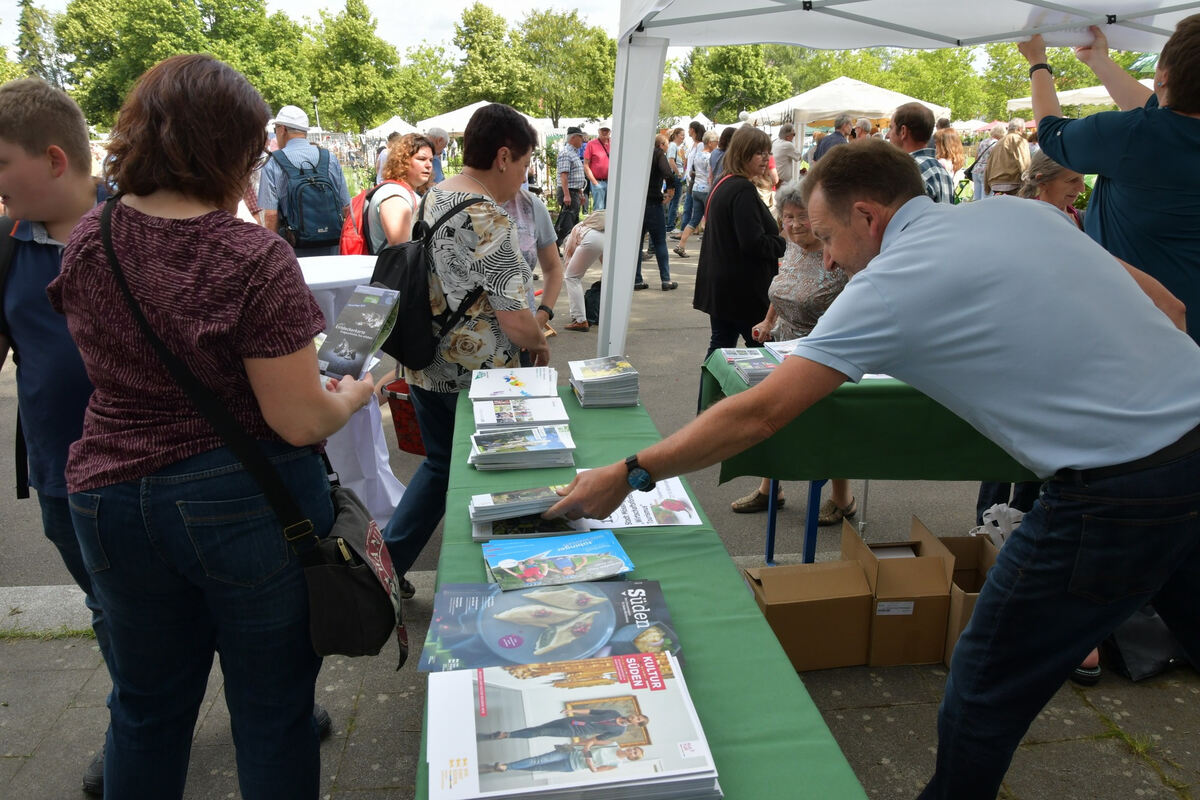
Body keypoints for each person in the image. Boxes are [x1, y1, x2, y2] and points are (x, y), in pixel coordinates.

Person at [545, 139, 1198, 800]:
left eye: (827, 236)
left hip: (1117, 488)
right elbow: (1169, 308)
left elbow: (759, 415)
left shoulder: (891, 283)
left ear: (869, 216)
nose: (825, 257)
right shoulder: (1026, 214)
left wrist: (630, 472)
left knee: (984, 678)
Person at [49, 54, 373, 800]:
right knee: (271, 710)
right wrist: (353, 398)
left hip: (108, 498)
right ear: (233, 146)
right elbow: (297, 421)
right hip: (240, 504)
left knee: (146, 709)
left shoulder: (90, 240)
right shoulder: (252, 257)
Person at [381, 103, 549, 597]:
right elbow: (518, 323)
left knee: (439, 466)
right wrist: (541, 341)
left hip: (427, 364)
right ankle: (497, 581)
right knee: (490, 477)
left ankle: (384, 569)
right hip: (479, 378)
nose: (522, 177)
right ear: (502, 157)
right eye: (523, 165)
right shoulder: (488, 218)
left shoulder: (436, 195)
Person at [0, 76, 114, 796]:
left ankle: (263, 701)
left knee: (200, 597)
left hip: (155, 470)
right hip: (61, 475)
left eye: (0, 165)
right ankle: (136, 717)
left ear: (51, 158)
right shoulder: (6, 247)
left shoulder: (137, 227)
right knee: (109, 608)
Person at [1022, 18, 1200, 343]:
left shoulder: (1132, 135)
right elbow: (1159, 109)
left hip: (1145, 329)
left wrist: (1038, 63)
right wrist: (1098, 60)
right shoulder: (1150, 132)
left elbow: (1050, 132)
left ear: (1162, 75)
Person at [731, 180, 853, 519]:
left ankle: (843, 499)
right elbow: (785, 290)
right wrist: (768, 322)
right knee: (772, 416)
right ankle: (770, 490)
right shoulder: (792, 247)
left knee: (827, 426)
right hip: (785, 345)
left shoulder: (838, 255)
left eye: (803, 217)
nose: (796, 225)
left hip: (825, 352)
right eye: (788, 217)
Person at [692, 126, 786, 358]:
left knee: (719, 349)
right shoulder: (741, 189)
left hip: (724, 286)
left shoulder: (725, 183)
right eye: (759, 153)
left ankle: (710, 395)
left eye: (768, 152)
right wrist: (782, 241)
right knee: (762, 352)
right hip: (742, 291)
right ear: (743, 153)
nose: (766, 158)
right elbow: (753, 243)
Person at [257, 104, 351, 256]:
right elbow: (346, 207)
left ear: (282, 129)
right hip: (331, 246)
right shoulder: (329, 159)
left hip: (294, 250)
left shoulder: (274, 163)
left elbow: (271, 216)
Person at [367, 133, 434, 252]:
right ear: (403, 161)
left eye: (431, 160)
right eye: (421, 159)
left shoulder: (401, 192)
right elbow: (402, 249)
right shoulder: (395, 196)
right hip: (394, 269)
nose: (429, 165)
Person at [888, 103, 955, 203]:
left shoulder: (907, 172)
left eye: (891, 128)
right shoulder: (942, 171)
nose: (888, 135)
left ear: (903, 132)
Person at [637, 133, 678, 291]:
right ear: (662, 145)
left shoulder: (639, 155)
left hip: (637, 204)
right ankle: (665, 280)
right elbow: (667, 172)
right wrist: (671, 189)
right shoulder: (658, 154)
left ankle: (636, 280)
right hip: (654, 202)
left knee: (637, 244)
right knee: (660, 241)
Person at [482, 710, 649, 743]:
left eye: (638, 719)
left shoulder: (619, 731)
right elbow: (592, 710)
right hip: (572, 720)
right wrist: (573, 710)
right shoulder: (614, 712)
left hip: (573, 730)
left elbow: (598, 738)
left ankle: (506, 735)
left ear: (636, 724)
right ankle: (506, 733)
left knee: (540, 732)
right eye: (637, 714)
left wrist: (585, 744)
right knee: (538, 728)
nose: (635, 716)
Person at [674, 129, 716, 259]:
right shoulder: (710, 157)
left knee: (694, 219)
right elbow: (711, 175)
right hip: (706, 190)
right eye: (716, 141)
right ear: (709, 142)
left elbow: (691, 170)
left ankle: (681, 245)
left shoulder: (698, 155)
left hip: (696, 189)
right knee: (711, 220)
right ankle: (711, 250)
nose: (717, 144)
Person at [562, 212, 606, 327]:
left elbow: (568, 260)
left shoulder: (572, 236)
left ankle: (580, 319)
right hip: (608, 237)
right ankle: (605, 314)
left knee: (571, 277)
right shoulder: (589, 226)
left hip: (592, 240)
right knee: (608, 277)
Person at [483, 744, 644, 775]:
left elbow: (595, 770)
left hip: (571, 766)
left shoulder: (617, 764)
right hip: (569, 753)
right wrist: (578, 745)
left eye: (634, 753)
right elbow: (591, 742)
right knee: (537, 760)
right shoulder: (614, 744)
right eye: (634, 748)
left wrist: (589, 761)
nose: (632, 750)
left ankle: (508, 767)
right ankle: (506, 767)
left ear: (632, 758)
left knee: (538, 768)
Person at [554, 126, 587, 247]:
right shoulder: (566, 153)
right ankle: (554, 246)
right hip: (568, 192)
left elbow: (575, 176)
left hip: (574, 192)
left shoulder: (573, 153)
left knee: (572, 222)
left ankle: (568, 248)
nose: (582, 140)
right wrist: (567, 195)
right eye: (580, 137)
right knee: (566, 224)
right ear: (573, 137)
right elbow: (564, 176)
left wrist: (580, 194)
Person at [983, 119, 1030, 196]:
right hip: (1012, 182)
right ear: (1020, 129)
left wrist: (986, 187)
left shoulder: (999, 141)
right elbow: (1024, 162)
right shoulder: (1019, 140)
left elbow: (989, 164)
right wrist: (1029, 184)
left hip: (995, 184)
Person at [971, 123, 1004, 201]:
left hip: (976, 170)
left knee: (976, 198)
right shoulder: (997, 144)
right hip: (987, 171)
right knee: (986, 198)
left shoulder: (983, 142)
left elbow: (976, 157)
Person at [583, 125, 611, 211]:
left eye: (606, 130)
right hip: (598, 182)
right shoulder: (591, 144)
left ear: (610, 131)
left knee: (611, 210)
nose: (605, 132)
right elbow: (586, 165)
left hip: (611, 183)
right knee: (599, 211)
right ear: (598, 131)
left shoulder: (615, 143)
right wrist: (595, 183)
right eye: (603, 130)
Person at [665, 127, 687, 232]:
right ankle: (670, 226)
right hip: (675, 176)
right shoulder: (673, 146)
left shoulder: (676, 147)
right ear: (677, 135)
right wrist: (678, 173)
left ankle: (670, 224)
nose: (683, 137)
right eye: (682, 135)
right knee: (675, 200)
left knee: (675, 200)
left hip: (677, 176)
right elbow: (671, 161)